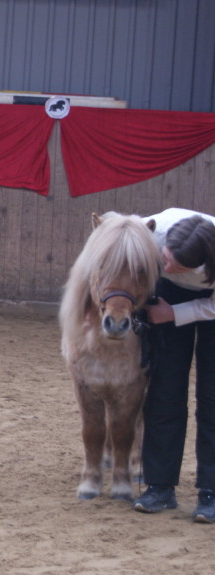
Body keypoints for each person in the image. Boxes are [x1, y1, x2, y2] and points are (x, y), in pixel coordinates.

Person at [133, 208, 215, 523]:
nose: (165, 264)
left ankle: (211, 492)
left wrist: (176, 314)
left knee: (212, 397)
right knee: (164, 389)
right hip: (166, 292)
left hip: (210, 300)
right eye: (164, 258)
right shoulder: (152, 230)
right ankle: (160, 487)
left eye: (172, 264)